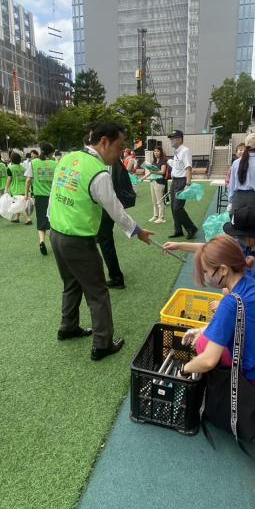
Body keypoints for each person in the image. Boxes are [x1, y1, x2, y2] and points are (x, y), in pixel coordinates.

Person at [48, 122, 153, 361]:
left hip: (57, 233)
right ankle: (102, 344)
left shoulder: (68, 158)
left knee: (71, 283)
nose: (119, 153)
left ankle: (68, 327)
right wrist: (138, 231)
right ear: (104, 142)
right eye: (119, 147)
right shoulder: (98, 171)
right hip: (78, 239)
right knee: (97, 293)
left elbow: (55, 194)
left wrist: (50, 224)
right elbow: (116, 210)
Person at [178, 235, 255, 429]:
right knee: (206, 338)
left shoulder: (232, 302)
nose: (206, 277)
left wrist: (185, 369)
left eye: (207, 272)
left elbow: (209, 360)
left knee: (203, 345)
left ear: (223, 270)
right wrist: (202, 328)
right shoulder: (251, 285)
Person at [164, 204, 255, 333]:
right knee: (227, 291)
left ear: (250, 235)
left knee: (239, 316)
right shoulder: (249, 244)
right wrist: (179, 245)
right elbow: (210, 250)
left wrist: (229, 306)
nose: (235, 237)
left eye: (238, 234)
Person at [96, 153, 137, 290]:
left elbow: (109, 195)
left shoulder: (108, 163)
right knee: (105, 241)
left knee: (105, 241)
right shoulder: (114, 162)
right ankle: (115, 276)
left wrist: (134, 229)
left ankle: (116, 277)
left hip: (105, 207)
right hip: (108, 206)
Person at [228, 132, 255, 222]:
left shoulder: (236, 163)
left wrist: (231, 201)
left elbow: (231, 185)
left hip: (238, 199)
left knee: (238, 231)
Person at [25, 142, 56, 255]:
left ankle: (42, 241)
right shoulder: (54, 164)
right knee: (53, 220)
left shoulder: (33, 163)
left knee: (41, 220)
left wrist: (26, 193)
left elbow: (28, 180)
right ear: (51, 153)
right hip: (52, 196)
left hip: (39, 196)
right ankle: (54, 243)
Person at [166, 130, 197, 239]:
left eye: (173, 138)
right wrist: (171, 163)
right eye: (170, 138)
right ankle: (178, 230)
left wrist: (188, 184)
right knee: (173, 208)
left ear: (179, 139)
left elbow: (188, 167)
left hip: (182, 181)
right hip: (175, 181)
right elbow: (179, 166)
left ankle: (191, 228)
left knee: (177, 208)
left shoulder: (185, 150)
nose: (171, 140)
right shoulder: (177, 151)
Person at [4, 152, 32, 224]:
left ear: (11, 159)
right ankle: (17, 218)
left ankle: (27, 219)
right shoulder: (23, 168)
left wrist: (6, 188)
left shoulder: (10, 168)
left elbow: (9, 179)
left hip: (15, 189)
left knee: (18, 205)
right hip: (24, 189)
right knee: (20, 204)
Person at [142, 145, 168, 223]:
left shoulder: (163, 161)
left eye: (158, 151)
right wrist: (142, 178)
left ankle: (161, 217)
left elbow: (162, 172)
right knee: (154, 200)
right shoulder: (154, 161)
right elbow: (150, 172)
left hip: (160, 182)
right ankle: (155, 216)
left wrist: (154, 171)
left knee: (159, 200)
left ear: (161, 152)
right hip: (152, 181)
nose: (156, 153)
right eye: (155, 151)